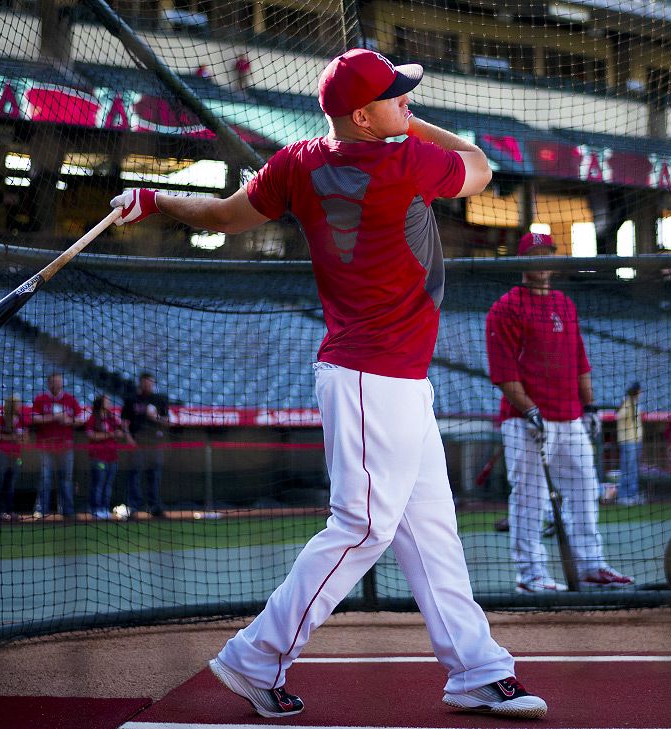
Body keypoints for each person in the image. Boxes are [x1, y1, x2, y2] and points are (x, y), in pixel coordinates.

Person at [110, 48, 546, 719]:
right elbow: (483, 168)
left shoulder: (299, 162)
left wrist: (153, 197)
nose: (407, 101)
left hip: (391, 376)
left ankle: (476, 669)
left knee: (431, 532)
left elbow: (225, 216)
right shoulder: (407, 159)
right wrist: (415, 126)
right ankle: (258, 656)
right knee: (362, 525)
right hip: (373, 376)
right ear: (364, 115)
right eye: (396, 97)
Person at [485, 231, 633, 593]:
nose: (542, 259)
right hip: (526, 422)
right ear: (522, 261)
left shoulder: (565, 304)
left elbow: (580, 360)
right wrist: (531, 411)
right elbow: (504, 373)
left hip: (570, 418)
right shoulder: (505, 307)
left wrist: (591, 405)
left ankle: (590, 566)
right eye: (534, 253)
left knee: (585, 489)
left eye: (547, 252)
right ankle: (530, 574)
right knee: (529, 497)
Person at [31, 372, 81, 520]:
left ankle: (67, 510)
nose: (57, 384)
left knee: (66, 479)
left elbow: (80, 420)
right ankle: (41, 510)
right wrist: (53, 418)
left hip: (65, 446)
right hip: (45, 446)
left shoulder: (70, 399)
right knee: (45, 478)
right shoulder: (41, 398)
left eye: (59, 381)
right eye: (54, 381)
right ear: (48, 383)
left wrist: (68, 420)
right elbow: (34, 418)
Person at [122, 372, 169, 517]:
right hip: (137, 442)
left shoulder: (159, 399)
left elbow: (167, 421)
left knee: (154, 476)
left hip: (154, 443)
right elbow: (124, 422)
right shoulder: (131, 399)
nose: (148, 384)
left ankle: (154, 506)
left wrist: (155, 417)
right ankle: (134, 507)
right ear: (140, 383)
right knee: (134, 475)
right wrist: (128, 437)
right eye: (145, 382)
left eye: (150, 382)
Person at [85, 394, 126, 520]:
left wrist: (120, 432)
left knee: (108, 485)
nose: (108, 403)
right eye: (106, 401)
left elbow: (120, 432)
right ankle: (95, 509)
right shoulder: (93, 418)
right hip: (98, 456)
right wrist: (110, 434)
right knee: (99, 484)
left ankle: (104, 508)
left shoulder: (111, 418)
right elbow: (91, 436)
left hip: (112, 456)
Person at [0, 394, 27, 521]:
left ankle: (10, 511)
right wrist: (12, 438)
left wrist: (18, 439)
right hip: (0, 453)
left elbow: (24, 439)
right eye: (17, 404)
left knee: (10, 484)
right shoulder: (0, 418)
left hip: (15, 455)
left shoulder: (21, 419)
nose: (19, 406)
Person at [615, 382, 643, 505]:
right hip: (628, 441)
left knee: (634, 469)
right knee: (628, 469)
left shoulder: (635, 404)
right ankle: (624, 496)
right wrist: (626, 404)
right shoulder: (627, 403)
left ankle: (633, 494)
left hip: (636, 441)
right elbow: (618, 416)